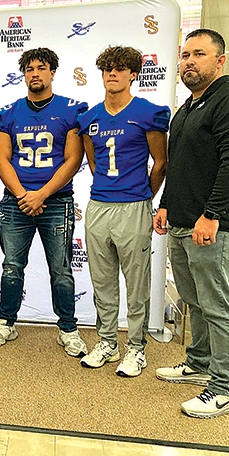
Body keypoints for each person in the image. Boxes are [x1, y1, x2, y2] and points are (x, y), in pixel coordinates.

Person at [154, 29, 229, 418]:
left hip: (215, 225)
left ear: (220, 60)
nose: (188, 62)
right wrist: (165, 204)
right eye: (184, 55)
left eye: (198, 54)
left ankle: (224, 389)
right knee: (194, 301)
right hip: (182, 221)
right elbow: (179, 164)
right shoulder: (189, 106)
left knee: (218, 307)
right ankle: (198, 363)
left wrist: (211, 215)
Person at [0, 48, 89, 357]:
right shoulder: (8, 112)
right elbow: (1, 159)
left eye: (41, 68)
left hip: (55, 201)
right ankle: (6, 322)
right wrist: (22, 195)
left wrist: (41, 195)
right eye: (29, 69)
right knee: (12, 267)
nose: (35, 74)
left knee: (61, 269)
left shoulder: (72, 109)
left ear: (52, 72)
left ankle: (68, 329)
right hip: (17, 201)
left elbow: (73, 160)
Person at [78, 46, 169, 376]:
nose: (112, 74)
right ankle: (106, 342)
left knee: (136, 282)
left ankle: (136, 347)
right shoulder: (89, 118)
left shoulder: (149, 112)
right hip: (99, 204)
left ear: (134, 74)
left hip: (134, 205)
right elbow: (92, 162)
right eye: (107, 69)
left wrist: (143, 195)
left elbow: (160, 163)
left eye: (120, 69)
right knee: (101, 281)